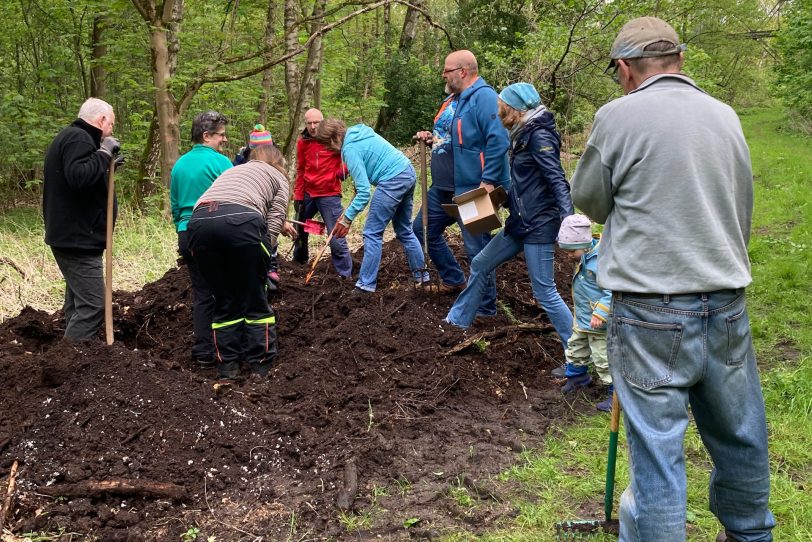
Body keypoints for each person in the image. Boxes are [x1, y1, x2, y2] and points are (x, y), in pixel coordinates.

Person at [570, 16, 775, 542]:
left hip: (650, 310)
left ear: (624, 68)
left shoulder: (617, 117)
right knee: (740, 435)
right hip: (726, 299)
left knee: (658, 449)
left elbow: (589, 202)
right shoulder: (725, 115)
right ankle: (751, 533)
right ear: (679, 60)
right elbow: (740, 208)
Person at [445, 83, 574, 354]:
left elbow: (557, 180)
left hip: (539, 225)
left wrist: (569, 222)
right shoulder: (522, 133)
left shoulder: (539, 136)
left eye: (502, 107)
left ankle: (578, 357)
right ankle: (455, 323)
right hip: (520, 222)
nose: (498, 112)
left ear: (514, 109)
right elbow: (529, 183)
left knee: (545, 292)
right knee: (481, 263)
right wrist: (504, 199)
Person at [187, 142, 296, 380]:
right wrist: (266, 262)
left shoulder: (233, 170)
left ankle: (227, 367)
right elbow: (274, 223)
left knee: (224, 299)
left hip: (198, 225)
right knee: (254, 296)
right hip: (242, 221)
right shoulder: (278, 177)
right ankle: (260, 365)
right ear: (279, 162)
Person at [415, 50, 510, 312]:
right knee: (422, 229)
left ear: (462, 72)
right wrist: (431, 138)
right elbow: (453, 139)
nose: (443, 75)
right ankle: (454, 279)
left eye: (446, 70)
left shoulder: (484, 97)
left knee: (477, 248)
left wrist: (488, 181)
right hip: (443, 187)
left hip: (471, 188)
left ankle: (485, 308)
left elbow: (499, 139)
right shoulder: (453, 100)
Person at [314, 119, 426, 293]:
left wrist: (347, 218)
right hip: (407, 171)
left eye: (327, 144)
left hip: (392, 179)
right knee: (404, 230)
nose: (328, 149)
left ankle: (366, 285)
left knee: (372, 233)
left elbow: (364, 191)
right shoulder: (358, 133)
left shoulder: (349, 148)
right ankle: (422, 278)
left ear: (335, 137)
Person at [43, 97, 120, 341]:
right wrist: (104, 152)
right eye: (111, 125)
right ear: (102, 120)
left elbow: (82, 178)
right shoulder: (79, 138)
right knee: (93, 304)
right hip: (78, 240)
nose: (111, 132)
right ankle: (67, 364)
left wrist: (107, 164)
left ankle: (71, 359)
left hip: (74, 236)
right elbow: (78, 177)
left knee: (78, 302)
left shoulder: (73, 138)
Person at [170, 111, 233, 367]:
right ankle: (228, 351)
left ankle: (203, 351)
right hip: (216, 231)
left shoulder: (179, 165)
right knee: (228, 291)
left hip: (187, 234)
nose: (225, 140)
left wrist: (182, 230)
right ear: (206, 136)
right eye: (221, 135)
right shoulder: (222, 164)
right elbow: (234, 200)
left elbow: (175, 206)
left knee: (202, 294)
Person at [556, 214, 613, 412]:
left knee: (603, 359)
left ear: (585, 243)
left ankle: (616, 395)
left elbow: (612, 290)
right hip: (582, 319)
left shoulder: (600, 260)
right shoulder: (584, 256)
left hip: (599, 323)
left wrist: (601, 313)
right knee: (575, 349)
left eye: (572, 251)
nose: (569, 256)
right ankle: (577, 377)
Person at [291, 108, 352, 278]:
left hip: (329, 193)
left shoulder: (333, 137)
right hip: (309, 192)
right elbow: (301, 169)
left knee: (336, 234)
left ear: (322, 121)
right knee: (300, 226)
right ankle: (299, 263)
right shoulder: (303, 141)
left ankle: (344, 274)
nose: (312, 126)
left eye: (316, 122)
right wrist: (298, 195)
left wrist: (342, 172)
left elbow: (349, 158)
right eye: (309, 123)